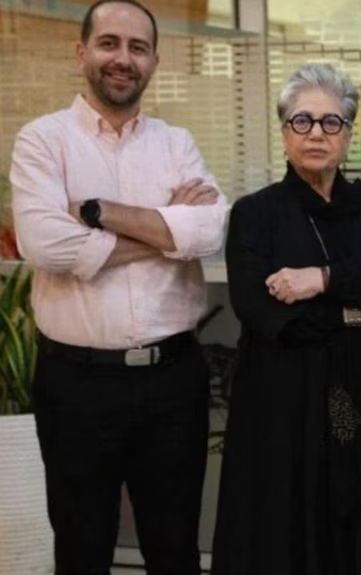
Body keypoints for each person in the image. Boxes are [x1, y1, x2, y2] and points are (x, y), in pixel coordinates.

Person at [9, 1, 227, 572]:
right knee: (82, 548)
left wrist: (99, 212)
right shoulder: (43, 141)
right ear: (82, 52)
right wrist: (163, 226)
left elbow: (208, 231)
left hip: (172, 380)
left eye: (138, 47)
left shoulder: (176, 143)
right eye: (109, 43)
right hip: (77, 384)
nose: (122, 59)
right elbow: (45, 245)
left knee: (175, 546)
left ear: (154, 60)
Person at [212, 63, 361, 574]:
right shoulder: (255, 214)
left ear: (349, 135)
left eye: (331, 122)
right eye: (302, 121)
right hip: (289, 401)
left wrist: (321, 281)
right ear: (284, 131)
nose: (316, 133)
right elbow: (262, 311)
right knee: (291, 521)